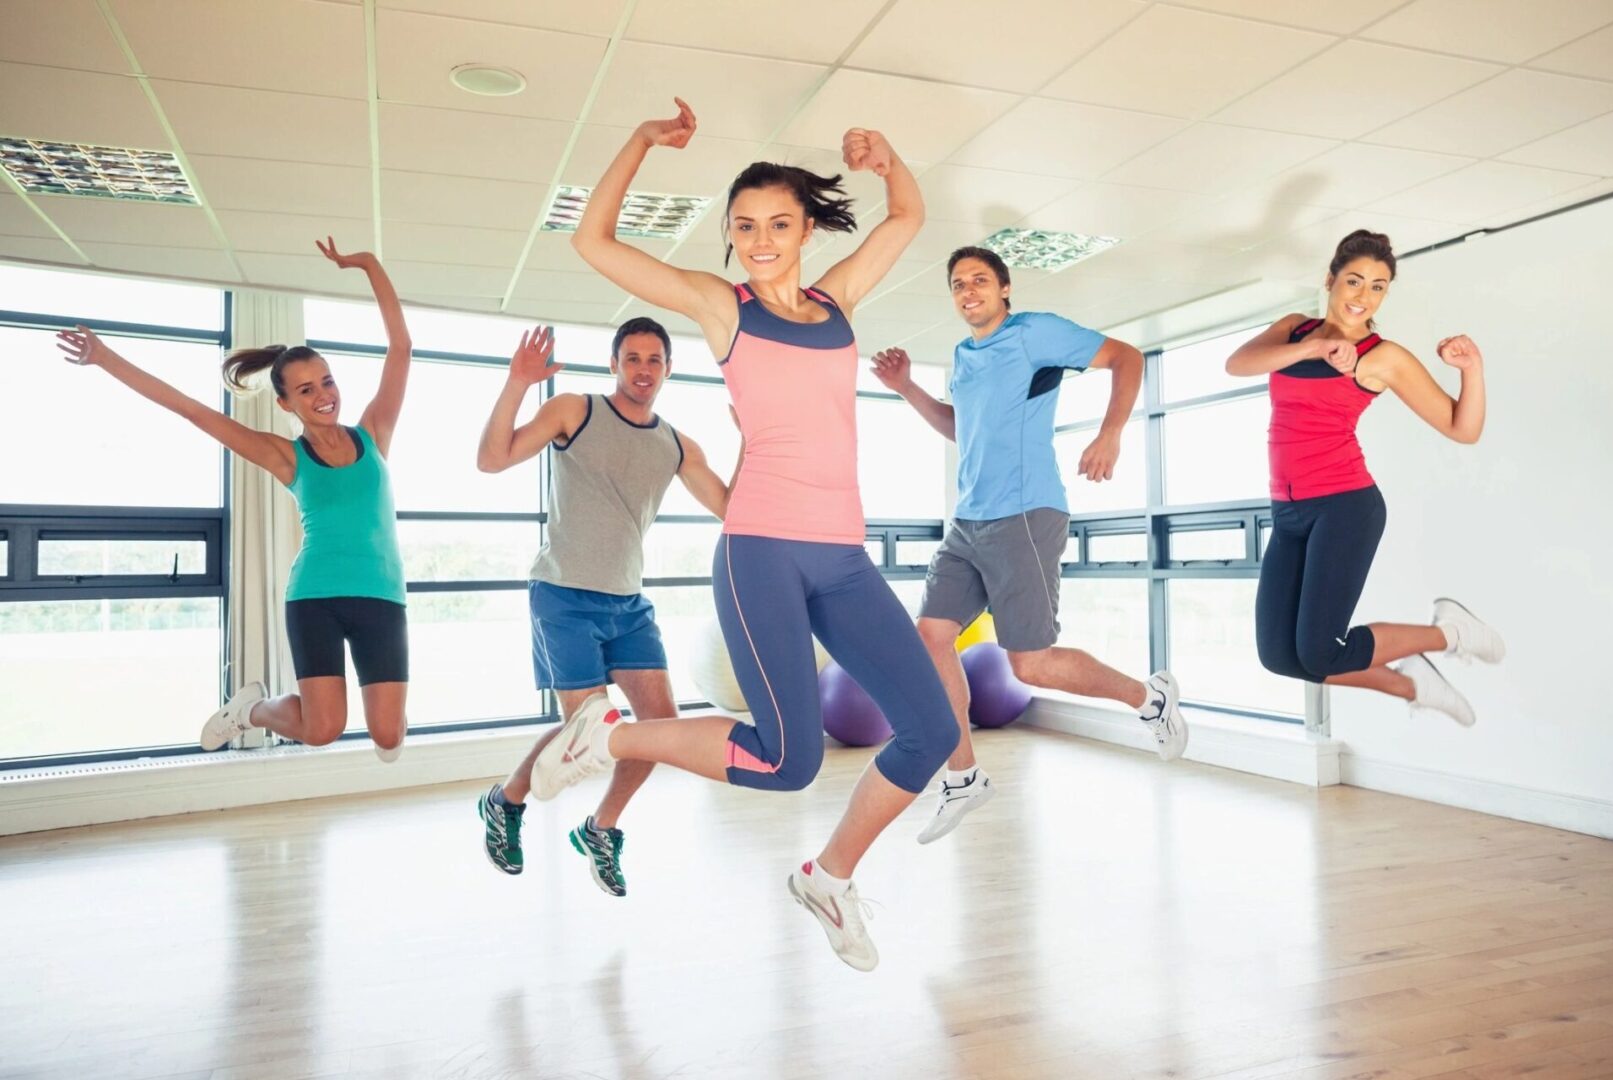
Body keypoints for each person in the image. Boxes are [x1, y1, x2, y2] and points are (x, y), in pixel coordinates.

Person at [537, 97, 957, 971]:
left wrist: (888, 157)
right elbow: (594, 242)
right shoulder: (719, 306)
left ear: (807, 230)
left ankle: (829, 876)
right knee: (786, 761)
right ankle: (602, 738)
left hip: (841, 555)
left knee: (929, 728)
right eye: (744, 226)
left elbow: (909, 215)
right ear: (730, 236)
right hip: (760, 549)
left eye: (778, 224)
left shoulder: (837, 303)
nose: (761, 239)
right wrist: (641, 138)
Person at [870, 245, 1187, 845]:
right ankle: (963, 776)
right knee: (931, 637)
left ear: (1005, 288)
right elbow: (962, 428)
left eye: (980, 281)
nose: (969, 292)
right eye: (958, 284)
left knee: (1031, 663)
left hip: (1024, 513)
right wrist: (907, 387)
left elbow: (1126, 356)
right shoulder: (964, 355)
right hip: (967, 520)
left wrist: (1111, 433)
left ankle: (1149, 697)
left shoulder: (1033, 333)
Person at [56, 238, 415, 760]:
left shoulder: (374, 435)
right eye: (307, 390)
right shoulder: (287, 457)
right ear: (286, 402)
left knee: (389, 735)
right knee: (323, 730)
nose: (324, 395)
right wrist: (105, 357)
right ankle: (248, 711)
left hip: (382, 596)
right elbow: (193, 411)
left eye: (327, 381)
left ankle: (372, 708)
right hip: (315, 597)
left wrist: (369, 265)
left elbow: (400, 348)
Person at [472, 316, 738, 896]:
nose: (643, 370)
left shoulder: (675, 443)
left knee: (658, 730)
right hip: (564, 593)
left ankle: (602, 827)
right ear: (614, 364)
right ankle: (506, 800)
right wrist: (518, 382)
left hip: (628, 602)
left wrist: (752, 440)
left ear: (668, 369)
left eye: (654, 360)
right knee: (587, 728)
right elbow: (491, 460)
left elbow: (732, 508)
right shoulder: (576, 410)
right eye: (633, 358)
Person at [1225, 229, 1503, 724]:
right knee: (1279, 656)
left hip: (1345, 505)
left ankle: (1450, 633)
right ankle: (1411, 681)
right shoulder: (1293, 329)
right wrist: (1313, 347)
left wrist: (1473, 369)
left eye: (1378, 286)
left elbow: (1464, 428)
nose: (1363, 296)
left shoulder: (1382, 356)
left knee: (1320, 652)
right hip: (1288, 512)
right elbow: (1238, 364)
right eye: (1354, 281)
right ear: (1330, 280)